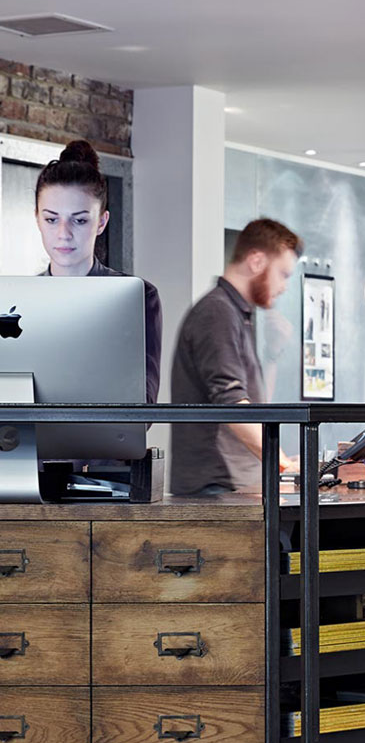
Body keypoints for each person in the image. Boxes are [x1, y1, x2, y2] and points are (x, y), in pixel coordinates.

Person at [170, 218, 302, 496]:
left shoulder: (235, 313)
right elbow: (231, 403)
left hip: (233, 482)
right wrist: (284, 465)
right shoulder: (217, 312)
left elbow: (253, 403)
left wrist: (272, 354)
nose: (284, 286)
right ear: (256, 261)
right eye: (283, 274)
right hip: (217, 486)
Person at [35, 139, 163, 402]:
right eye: (51, 219)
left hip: (105, 431)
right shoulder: (15, 302)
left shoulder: (137, 298)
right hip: (25, 430)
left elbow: (143, 405)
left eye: (80, 220)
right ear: (37, 218)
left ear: (102, 222)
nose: (63, 234)